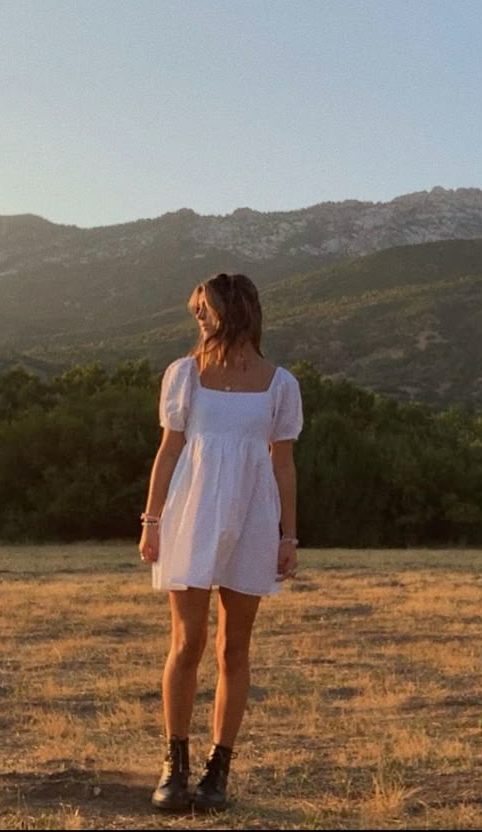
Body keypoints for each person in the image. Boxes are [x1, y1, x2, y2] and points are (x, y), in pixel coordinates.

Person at [138, 272, 303, 812]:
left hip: (254, 517)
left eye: (205, 308)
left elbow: (283, 465)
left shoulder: (281, 384)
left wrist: (289, 535)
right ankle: (174, 764)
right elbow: (169, 450)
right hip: (192, 511)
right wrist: (152, 520)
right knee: (187, 644)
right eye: (196, 310)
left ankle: (218, 770)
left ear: (235, 311)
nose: (198, 318)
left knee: (234, 648)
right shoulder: (184, 374)